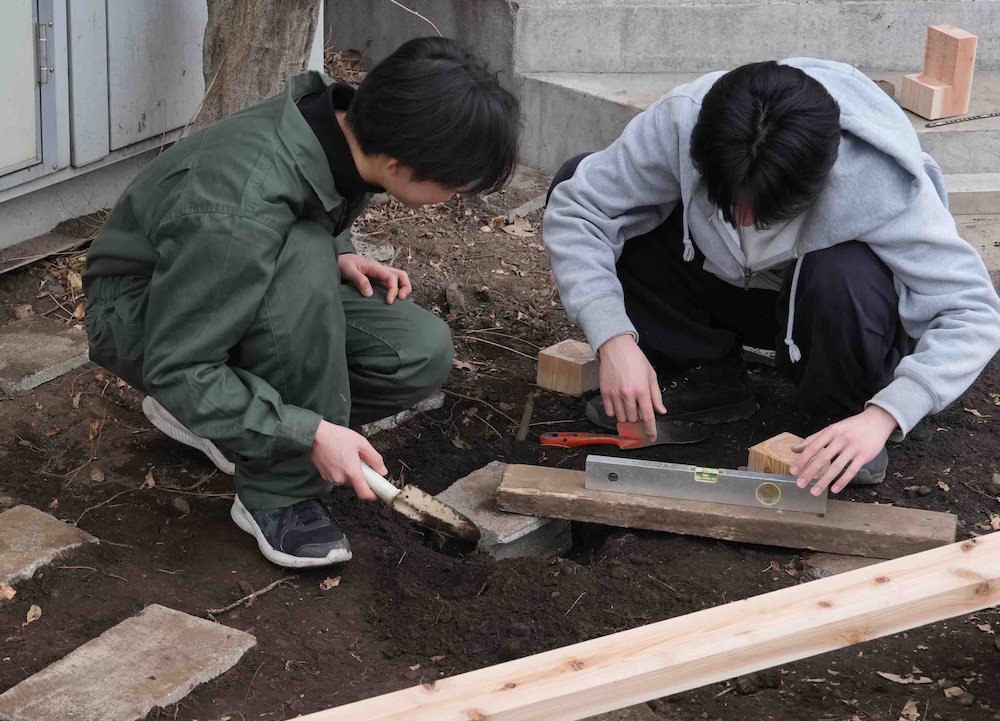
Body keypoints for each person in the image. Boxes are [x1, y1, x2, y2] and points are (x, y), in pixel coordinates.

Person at [83, 37, 520, 568]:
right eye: (455, 187)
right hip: (143, 317)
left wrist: (339, 252)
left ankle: (230, 418)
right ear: (400, 165)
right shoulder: (241, 211)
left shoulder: (342, 125)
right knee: (299, 261)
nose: (455, 196)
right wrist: (306, 432)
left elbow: (302, 207)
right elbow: (180, 362)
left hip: (221, 284)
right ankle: (277, 493)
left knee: (416, 350)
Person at [544, 58, 1000, 496]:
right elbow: (579, 211)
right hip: (718, 284)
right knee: (579, 179)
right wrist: (613, 339)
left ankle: (842, 421)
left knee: (845, 272)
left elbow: (972, 312)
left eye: (764, 213)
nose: (743, 222)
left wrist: (887, 413)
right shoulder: (681, 122)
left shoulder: (878, 179)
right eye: (728, 204)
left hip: (824, 313)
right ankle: (703, 374)